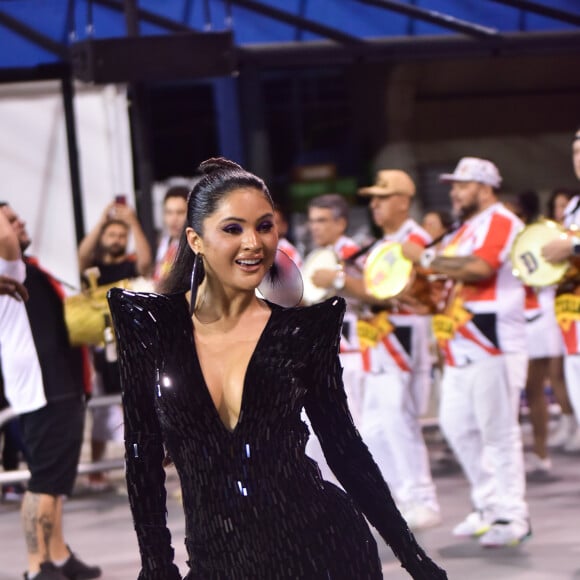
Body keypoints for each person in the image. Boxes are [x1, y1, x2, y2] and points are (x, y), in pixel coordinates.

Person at [107, 158, 447, 579]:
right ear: (195, 239)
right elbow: (141, 451)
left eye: (264, 226)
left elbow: (344, 448)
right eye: (233, 229)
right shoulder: (150, 326)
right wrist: (156, 565)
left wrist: (412, 556)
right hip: (219, 562)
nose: (254, 243)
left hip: (324, 551)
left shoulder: (303, 331)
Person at [404, 157, 531, 547]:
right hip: (459, 342)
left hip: (493, 340)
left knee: (498, 432)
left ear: (485, 187)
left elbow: (479, 269)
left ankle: (513, 514)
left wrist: (424, 257)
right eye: (454, 186)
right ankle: (488, 505)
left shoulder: (501, 221)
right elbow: (448, 276)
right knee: (457, 426)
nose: (454, 192)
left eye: (461, 185)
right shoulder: (463, 229)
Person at [311, 172, 441, 531]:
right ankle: (400, 497)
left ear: (403, 200)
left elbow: (387, 292)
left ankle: (421, 498)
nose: (375, 205)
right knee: (375, 428)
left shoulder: (416, 240)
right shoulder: (384, 241)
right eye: (372, 198)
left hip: (400, 336)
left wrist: (339, 282)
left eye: (382, 198)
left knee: (399, 421)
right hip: (377, 339)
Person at [1, 202, 101, 580]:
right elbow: (4, 237)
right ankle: (35, 566)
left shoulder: (28, 267)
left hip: (63, 382)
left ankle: (57, 556)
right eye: (10, 219)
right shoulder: (5, 266)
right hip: (41, 387)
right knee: (43, 481)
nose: (18, 223)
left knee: (56, 482)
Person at [78, 200, 153, 490]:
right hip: (101, 348)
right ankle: (97, 469)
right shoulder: (93, 269)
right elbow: (81, 256)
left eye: (121, 236)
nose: (117, 240)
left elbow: (147, 263)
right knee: (101, 408)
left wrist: (131, 221)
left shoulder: (131, 265)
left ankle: (143, 462)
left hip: (132, 345)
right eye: (112, 235)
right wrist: (101, 222)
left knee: (135, 405)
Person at [511, 190, 566, 477]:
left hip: (537, 316)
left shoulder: (538, 234)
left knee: (534, 388)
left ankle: (541, 452)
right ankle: (521, 454)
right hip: (515, 317)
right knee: (518, 392)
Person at [542, 127, 580, 452]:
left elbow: (573, 248)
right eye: (576, 152)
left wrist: (574, 248)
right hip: (571, 317)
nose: (579, 159)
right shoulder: (573, 206)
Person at [154, 185, 189, 283]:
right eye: (169, 212)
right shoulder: (164, 243)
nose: (174, 219)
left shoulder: (194, 247)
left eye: (180, 212)